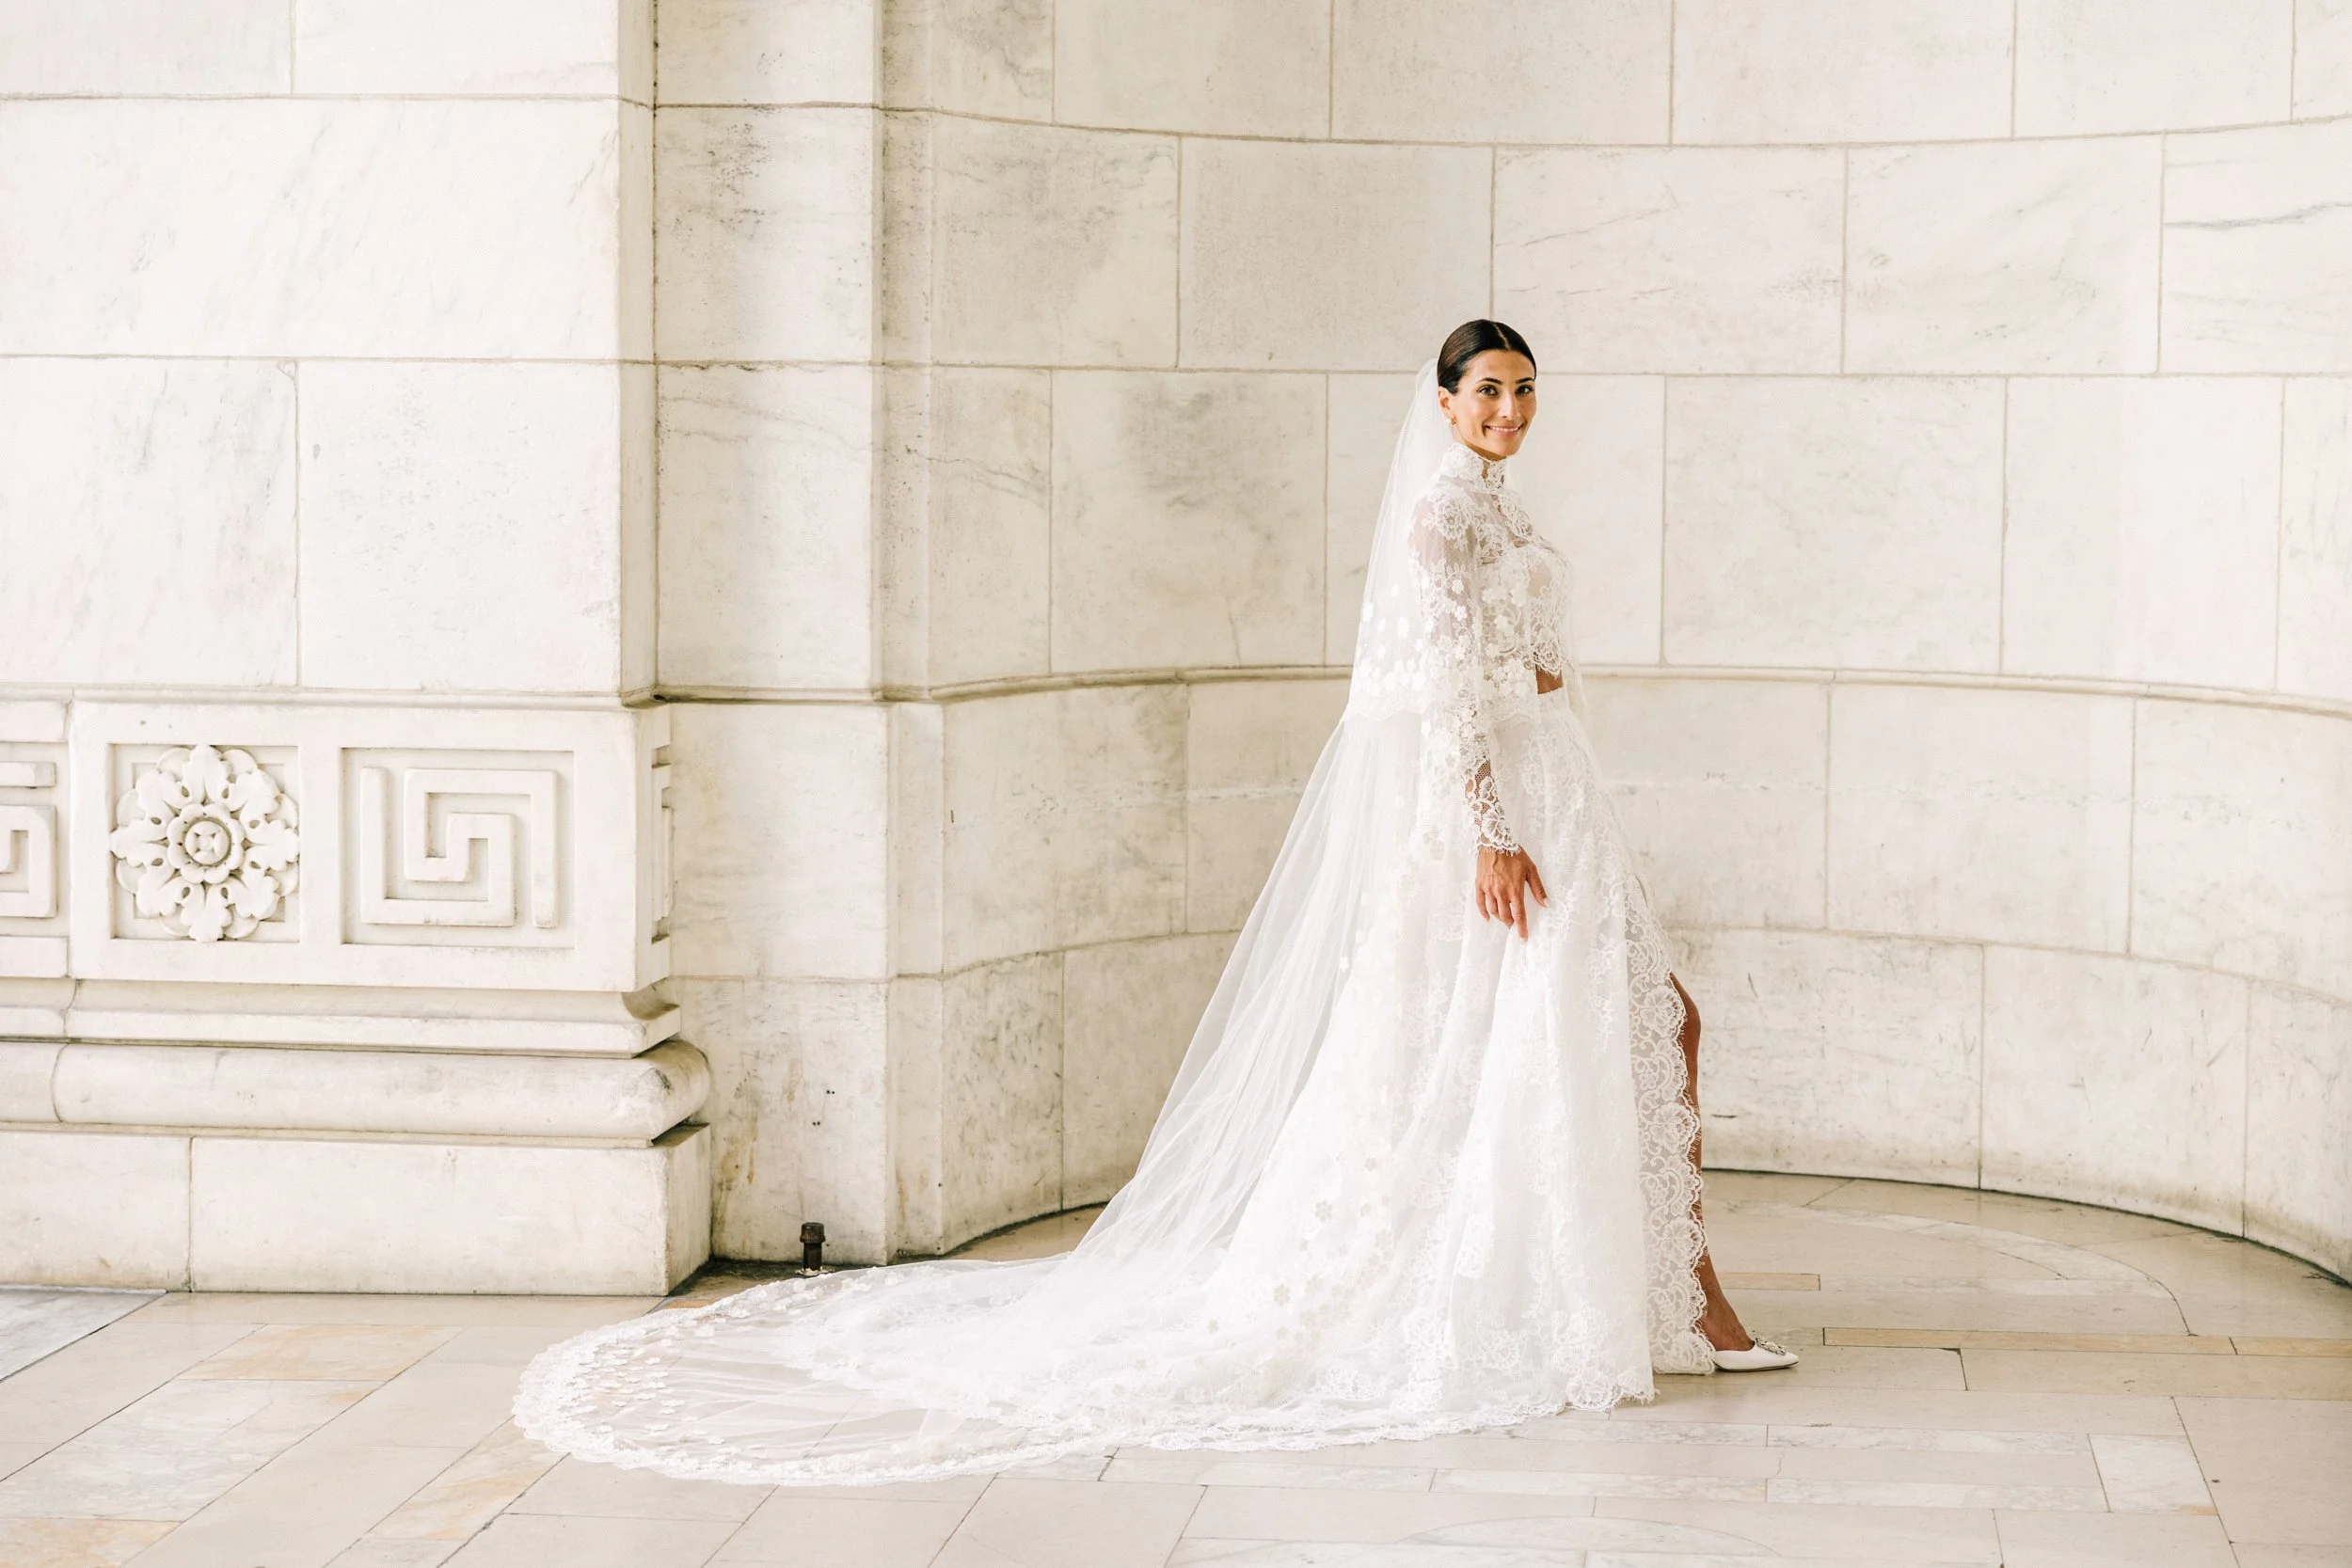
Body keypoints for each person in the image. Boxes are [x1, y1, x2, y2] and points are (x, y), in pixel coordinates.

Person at [515, 319, 1793, 1488]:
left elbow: (1527, 663)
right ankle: (1669, 1301)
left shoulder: (1502, 510)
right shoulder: (1442, 521)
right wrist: (1490, 834)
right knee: (1597, 1032)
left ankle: (1648, 1294)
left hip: (1554, 785)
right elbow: (1444, 687)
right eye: (1490, 393)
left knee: (1615, 1030)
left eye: (1524, 392)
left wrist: (1546, 725)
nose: (1511, 410)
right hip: (1500, 817)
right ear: (1445, 403)